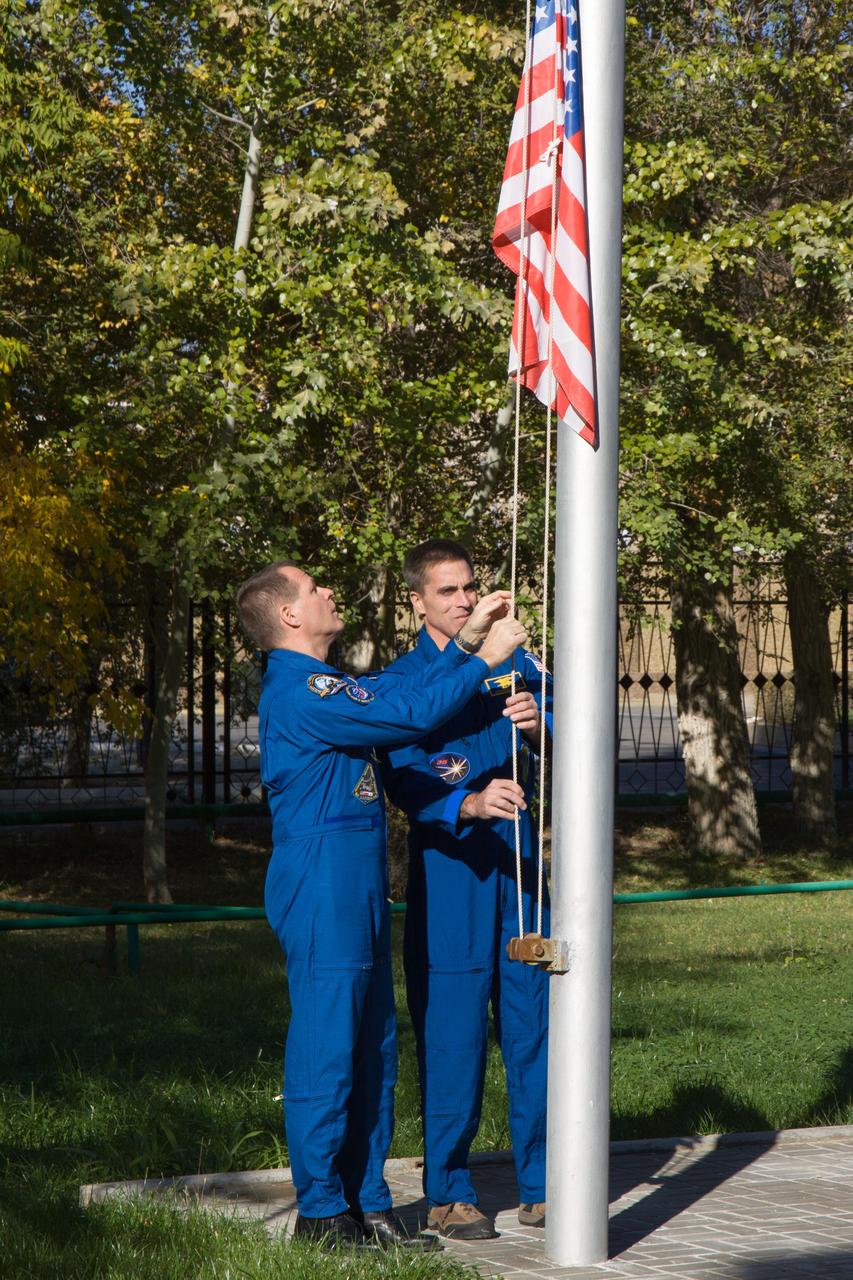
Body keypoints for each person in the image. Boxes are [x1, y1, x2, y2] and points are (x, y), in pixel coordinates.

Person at [235, 559, 526, 1250]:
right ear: (289, 616)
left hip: (355, 877)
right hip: (321, 878)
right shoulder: (300, 688)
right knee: (328, 1045)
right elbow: (408, 712)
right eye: (313, 589)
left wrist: (460, 646)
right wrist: (483, 659)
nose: (328, 592)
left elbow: (393, 695)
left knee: (372, 1046)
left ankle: (366, 1205)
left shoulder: (328, 684)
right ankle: (321, 1210)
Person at [381, 539, 552, 1240]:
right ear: (416, 601)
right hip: (451, 870)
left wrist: (543, 729)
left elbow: (578, 738)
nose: (463, 601)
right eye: (447, 591)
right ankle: (449, 1189)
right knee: (450, 1032)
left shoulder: (516, 660)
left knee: (532, 1023)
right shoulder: (403, 679)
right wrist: (466, 806)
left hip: (519, 871)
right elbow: (401, 771)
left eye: (470, 588)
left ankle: (543, 1182)